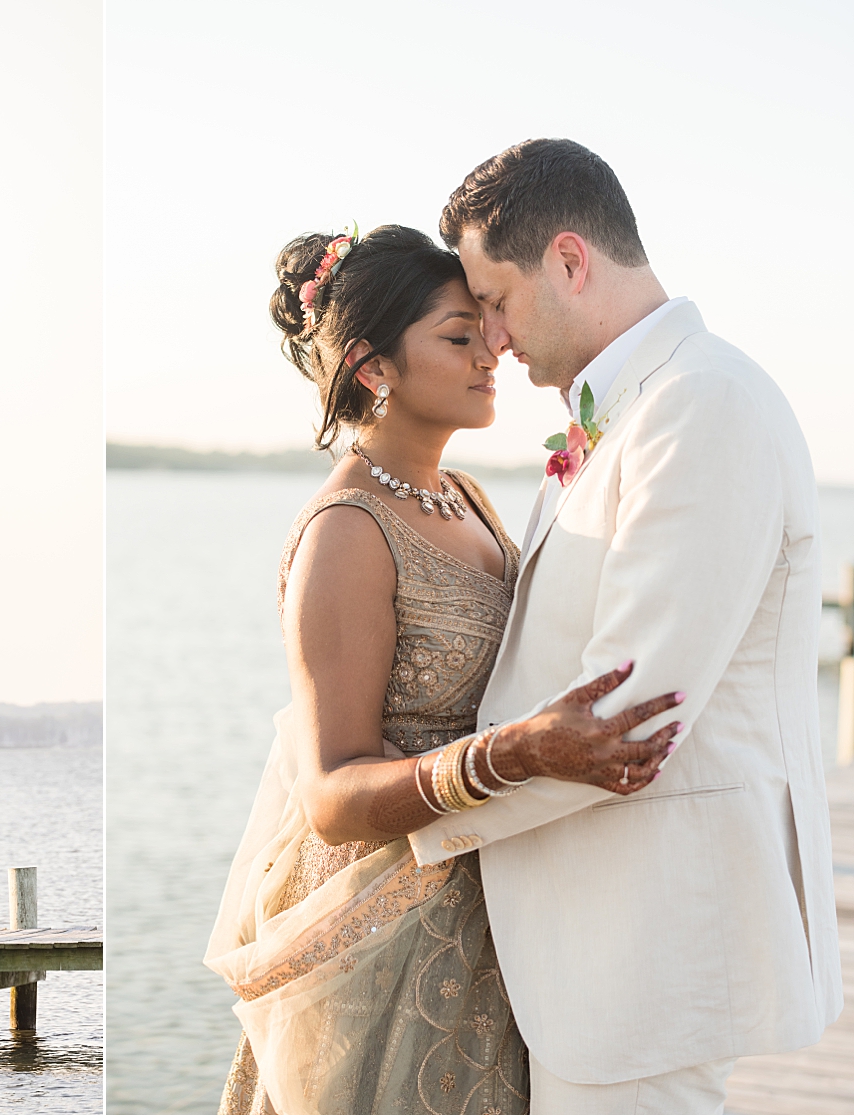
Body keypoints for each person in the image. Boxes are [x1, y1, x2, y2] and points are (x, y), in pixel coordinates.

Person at [403, 138, 840, 1113]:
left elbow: (627, 716)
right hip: (605, 949)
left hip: (654, 950)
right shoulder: (634, 408)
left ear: (569, 259)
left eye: (500, 301)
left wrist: (418, 813)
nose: (496, 339)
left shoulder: (703, 406)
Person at [206, 223, 681, 1115]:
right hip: (388, 930)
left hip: (495, 905)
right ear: (372, 366)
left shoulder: (466, 497)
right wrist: (517, 755)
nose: (490, 353)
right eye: (458, 337)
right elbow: (329, 794)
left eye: (485, 329)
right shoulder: (346, 533)